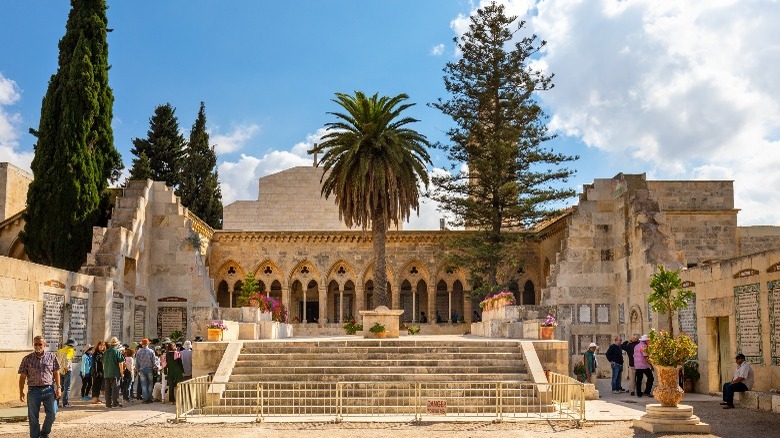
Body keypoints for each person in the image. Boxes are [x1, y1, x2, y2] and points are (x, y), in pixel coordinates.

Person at [18, 335, 61, 438]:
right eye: (35, 344)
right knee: (33, 418)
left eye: (40, 344)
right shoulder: (27, 359)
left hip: (49, 389)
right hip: (33, 391)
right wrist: (21, 391)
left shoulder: (52, 357)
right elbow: (22, 377)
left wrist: (58, 387)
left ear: (44, 345)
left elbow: (56, 372)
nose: (38, 346)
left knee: (52, 413)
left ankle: (45, 432)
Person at [102, 337, 125, 408]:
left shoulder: (106, 352)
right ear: (116, 344)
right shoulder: (117, 351)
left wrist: (105, 370)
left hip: (107, 373)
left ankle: (108, 404)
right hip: (115, 373)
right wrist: (121, 372)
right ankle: (115, 403)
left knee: (107, 389)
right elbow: (120, 363)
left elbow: (103, 363)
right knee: (115, 389)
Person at [55, 338, 76, 408]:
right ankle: (65, 403)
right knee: (67, 387)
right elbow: (67, 359)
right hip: (67, 370)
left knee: (60, 387)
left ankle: (56, 402)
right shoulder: (71, 350)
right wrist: (66, 367)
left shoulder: (60, 350)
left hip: (60, 370)